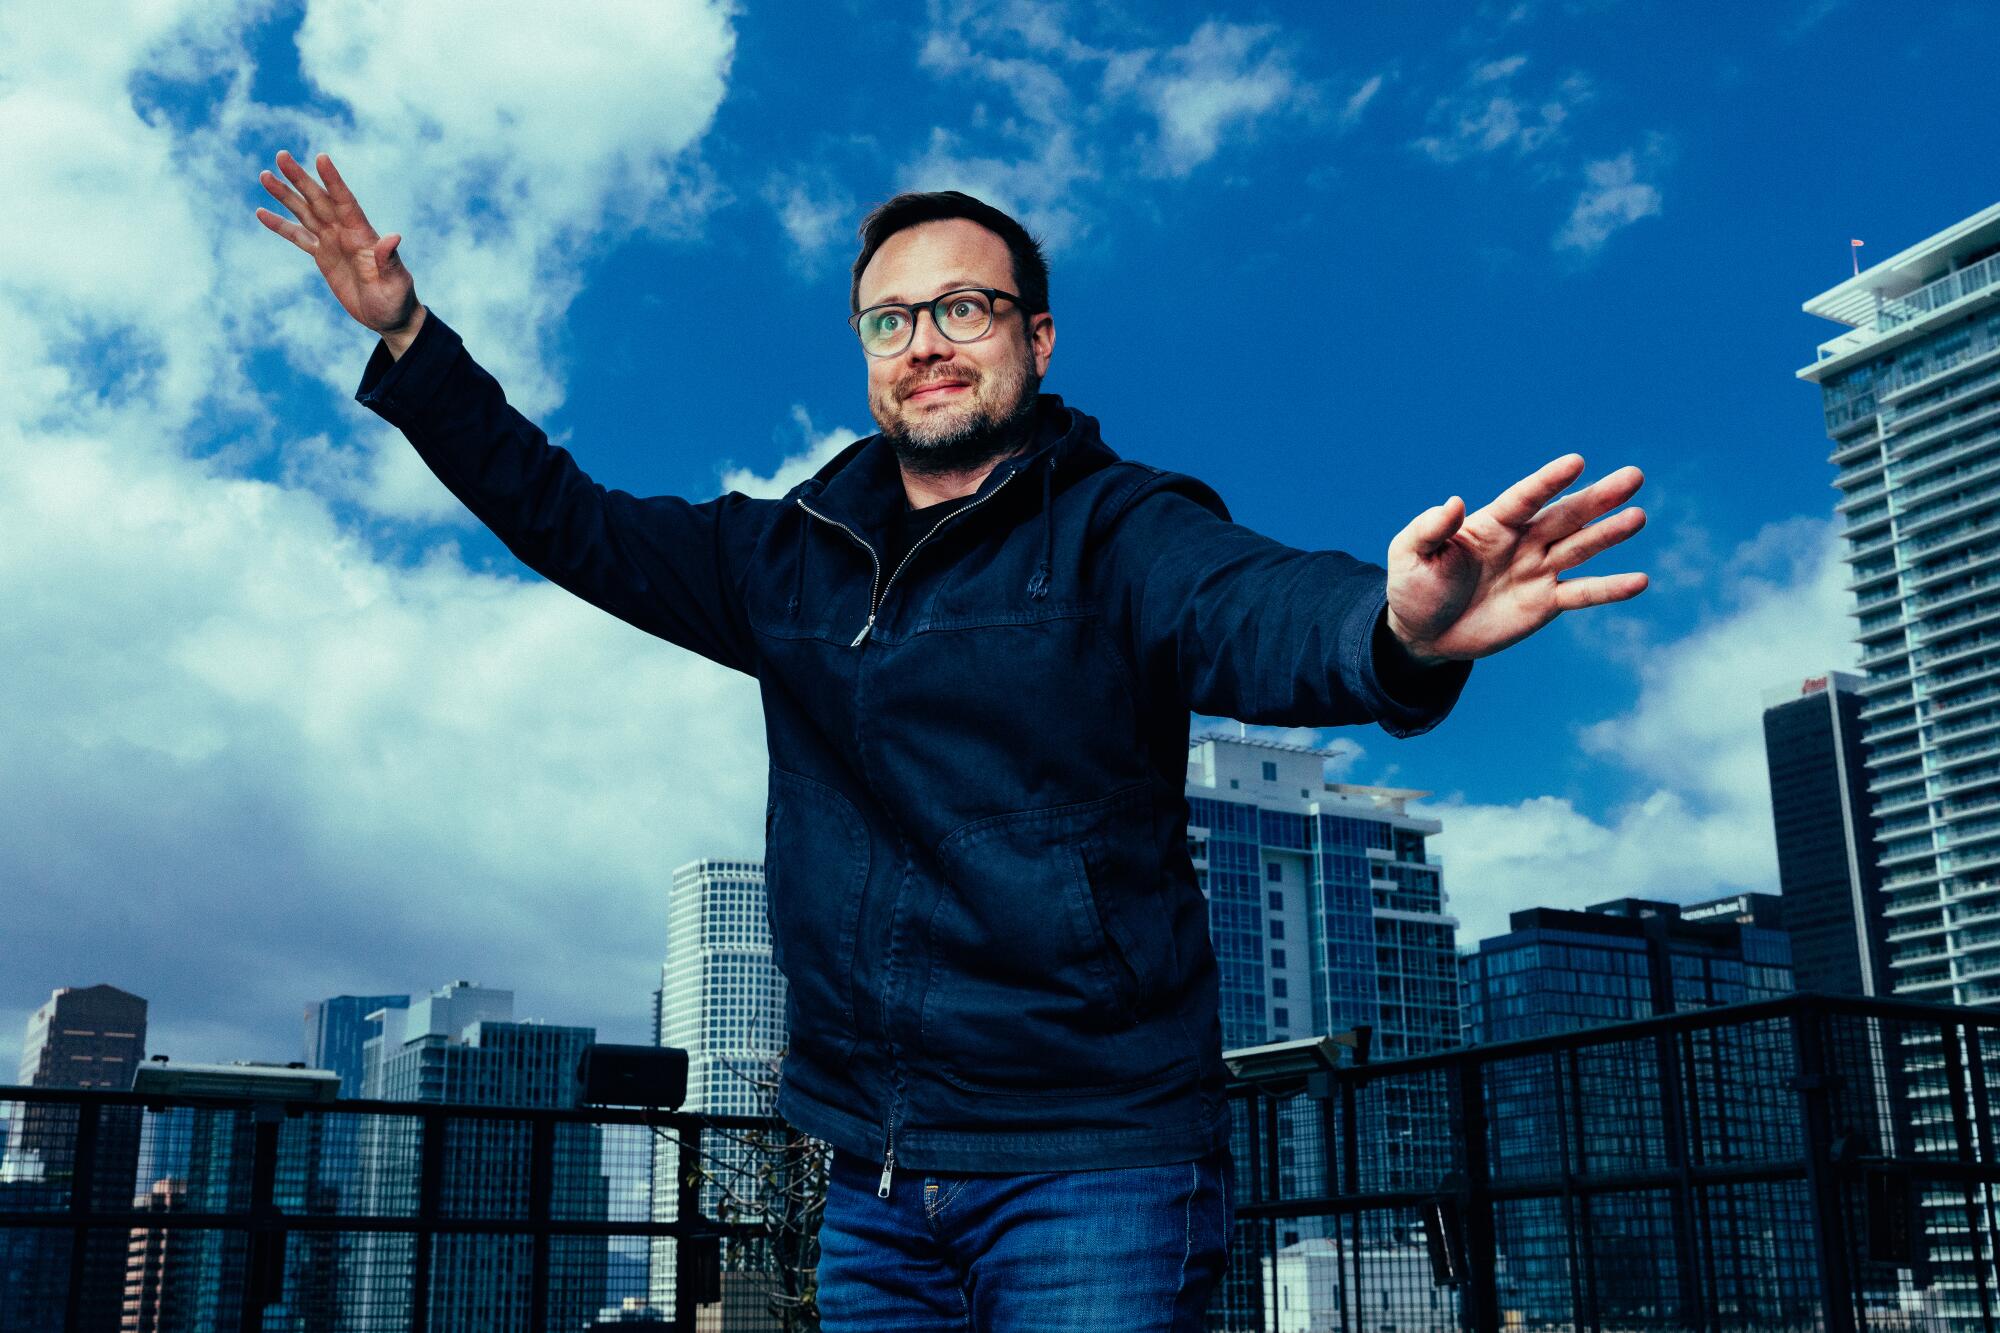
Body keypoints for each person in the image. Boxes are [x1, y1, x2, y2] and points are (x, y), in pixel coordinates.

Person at [255, 149, 1647, 1331]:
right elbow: (568, 517)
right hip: (868, 1173)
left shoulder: (1122, 529)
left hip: (1091, 1163)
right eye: (889, 319)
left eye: (963, 307)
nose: (923, 341)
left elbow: (1256, 607)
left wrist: (1390, 625)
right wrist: (408, 340)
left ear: (1037, 340)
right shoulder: (784, 558)